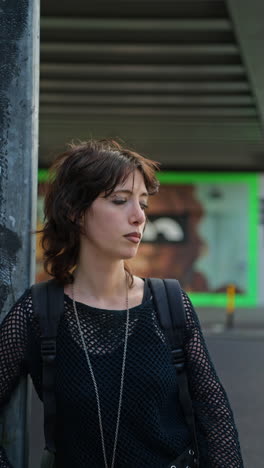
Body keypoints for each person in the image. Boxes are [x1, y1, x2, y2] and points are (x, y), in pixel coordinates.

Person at [0, 139, 243, 467]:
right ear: (75, 211)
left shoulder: (169, 304)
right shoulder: (39, 311)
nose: (138, 217)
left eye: (143, 204)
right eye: (120, 201)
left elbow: (215, 422)